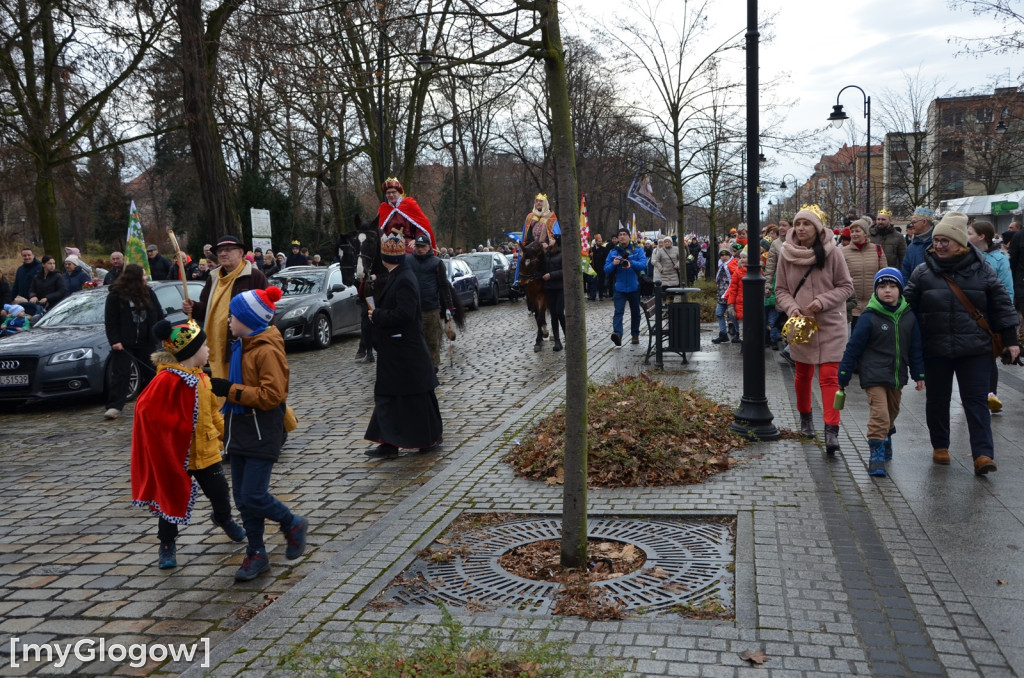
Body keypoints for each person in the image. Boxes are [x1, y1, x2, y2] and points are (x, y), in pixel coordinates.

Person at [903, 212, 1019, 475]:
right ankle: (940, 446)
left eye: (946, 240)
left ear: (960, 242)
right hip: (935, 349)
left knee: (976, 401)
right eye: (937, 240)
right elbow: (905, 307)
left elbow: (1001, 305)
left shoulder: (983, 269)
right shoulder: (923, 272)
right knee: (938, 400)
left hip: (975, 349)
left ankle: (983, 454)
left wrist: (1011, 340)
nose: (940, 245)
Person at [208, 287, 307, 581]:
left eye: (233, 317)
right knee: (241, 496)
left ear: (249, 320)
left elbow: (272, 395)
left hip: (262, 428)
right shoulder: (243, 344)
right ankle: (257, 552)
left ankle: (292, 523)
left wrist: (230, 390)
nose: (228, 321)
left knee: (252, 494)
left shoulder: (265, 349)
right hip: (239, 426)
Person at [130, 319, 246, 570]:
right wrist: (173, 427)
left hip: (206, 450)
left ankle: (224, 517)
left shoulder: (203, 379)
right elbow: (145, 409)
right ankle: (167, 543)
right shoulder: (167, 380)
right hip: (177, 455)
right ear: (191, 352)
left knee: (219, 491)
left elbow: (212, 412)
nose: (208, 351)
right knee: (170, 499)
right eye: (204, 346)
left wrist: (227, 433)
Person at [774, 205, 854, 454]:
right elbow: (781, 290)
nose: (800, 228)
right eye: (797, 224)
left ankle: (832, 430)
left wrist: (823, 301)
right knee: (803, 374)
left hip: (830, 322)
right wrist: (792, 308)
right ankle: (806, 418)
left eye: (806, 224)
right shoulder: (786, 254)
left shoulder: (833, 253)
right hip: (801, 325)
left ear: (817, 228)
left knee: (830, 377)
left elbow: (846, 287)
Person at [838, 269, 926, 477]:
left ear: (900, 290)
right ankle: (876, 453)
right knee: (880, 413)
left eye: (893, 286)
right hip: (873, 373)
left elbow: (915, 348)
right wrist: (843, 375)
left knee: (892, 411)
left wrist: (919, 374)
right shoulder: (869, 317)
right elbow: (853, 348)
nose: (888, 291)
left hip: (897, 374)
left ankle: (887, 435)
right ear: (876, 290)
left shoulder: (908, 316)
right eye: (882, 287)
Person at [364, 231, 443, 458]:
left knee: (414, 398)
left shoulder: (405, 278)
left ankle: (423, 439)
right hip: (397, 352)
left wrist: (377, 315)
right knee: (391, 396)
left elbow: (405, 314)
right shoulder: (397, 275)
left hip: (405, 351)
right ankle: (389, 443)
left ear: (387, 257)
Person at [182, 234, 269, 379]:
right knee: (221, 391)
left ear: (241, 252)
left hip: (245, 347)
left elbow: (268, 312)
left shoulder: (254, 276)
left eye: (228, 249)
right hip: (217, 346)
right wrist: (193, 307)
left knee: (244, 388)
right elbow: (206, 309)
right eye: (220, 250)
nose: (222, 253)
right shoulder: (213, 277)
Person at [103, 263, 164, 419]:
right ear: (134, 278)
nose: (146, 278)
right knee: (121, 372)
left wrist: (161, 334)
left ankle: (154, 402)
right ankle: (115, 406)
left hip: (146, 340)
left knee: (150, 372)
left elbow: (158, 314)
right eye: (143, 275)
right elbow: (111, 321)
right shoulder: (115, 296)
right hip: (124, 342)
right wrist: (115, 340)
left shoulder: (149, 293)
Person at [967, 219, 1014, 413]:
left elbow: (1007, 291)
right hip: (970, 313)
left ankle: (990, 393)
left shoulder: (999, 259)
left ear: (981, 236)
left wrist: (1004, 319)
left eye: (970, 233)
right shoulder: (967, 256)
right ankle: (972, 393)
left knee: (989, 355)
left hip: (989, 316)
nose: (966, 237)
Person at [408, 234, 458, 370]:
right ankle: (419, 366)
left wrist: (449, 307)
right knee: (415, 340)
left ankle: (433, 366)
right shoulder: (408, 261)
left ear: (429, 247)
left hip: (431, 308)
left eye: (422, 246)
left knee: (432, 339)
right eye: (417, 246)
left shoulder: (437, 263)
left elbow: (443, 286)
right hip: (413, 308)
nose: (420, 249)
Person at [604, 227, 648, 346]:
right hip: (619, 287)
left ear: (629, 237)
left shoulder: (637, 250)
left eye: (624, 234)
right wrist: (614, 264)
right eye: (620, 235)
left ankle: (635, 335)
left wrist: (631, 264)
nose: (622, 237)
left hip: (634, 286)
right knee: (618, 312)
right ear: (618, 238)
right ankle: (617, 335)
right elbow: (606, 270)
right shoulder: (613, 252)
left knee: (635, 313)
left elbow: (644, 264)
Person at [841, 218, 885, 332]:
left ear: (866, 233)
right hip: (852, 307)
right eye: (852, 231)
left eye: (857, 231)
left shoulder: (877, 249)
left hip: (874, 304)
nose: (854, 234)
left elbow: (884, 276)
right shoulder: (842, 252)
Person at [377, 177, 436, 254]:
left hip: (408, 242)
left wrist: (417, 240)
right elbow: (379, 231)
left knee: (412, 254)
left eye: (394, 192)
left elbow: (421, 227)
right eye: (388, 193)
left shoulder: (409, 204)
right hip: (389, 244)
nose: (391, 195)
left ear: (399, 193)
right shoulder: (384, 208)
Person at [514, 193, 559, 286]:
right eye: (537, 201)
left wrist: (547, 243)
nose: (538, 203)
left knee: (550, 259)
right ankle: (519, 281)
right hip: (532, 245)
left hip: (546, 245)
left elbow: (555, 233)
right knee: (522, 257)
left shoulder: (551, 216)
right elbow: (527, 233)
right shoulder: (530, 216)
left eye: (541, 201)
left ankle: (550, 280)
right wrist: (530, 245)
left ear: (545, 203)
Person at [541, 235, 566, 351]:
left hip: (560, 288)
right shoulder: (547, 255)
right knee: (553, 315)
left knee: (560, 311)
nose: (549, 240)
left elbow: (564, 271)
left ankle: (568, 337)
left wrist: (551, 275)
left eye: (552, 239)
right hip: (549, 288)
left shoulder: (562, 254)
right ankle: (557, 341)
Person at [900, 207, 935, 281]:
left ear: (924, 222)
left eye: (913, 222)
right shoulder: (911, 247)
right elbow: (906, 273)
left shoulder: (938, 244)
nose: (911, 225)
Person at [723, 249, 748, 345]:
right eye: (741, 257)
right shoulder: (738, 272)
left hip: (753, 305)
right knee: (742, 326)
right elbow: (733, 289)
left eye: (744, 257)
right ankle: (744, 345)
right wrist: (730, 304)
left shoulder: (758, 271)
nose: (741, 259)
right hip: (741, 304)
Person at [712, 248, 736, 344]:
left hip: (730, 295)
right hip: (721, 295)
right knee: (719, 313)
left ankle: (738, 333)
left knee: (732, 315)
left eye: (726, 255)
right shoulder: (721, 266)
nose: (724, 257)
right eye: (722, 255)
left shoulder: (732, 265)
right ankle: (723, 334)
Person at [590, 234, 610, 300]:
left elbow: (606, 258)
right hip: (594, 268)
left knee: (601, 282)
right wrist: (590, 255)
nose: (600, 242)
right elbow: (590, 260)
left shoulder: (604, 249)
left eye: (601, 241)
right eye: (599, 241)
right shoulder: (592, 249)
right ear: (596, 242)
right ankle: (593, 296)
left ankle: (601, 295)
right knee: (593, 282)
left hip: (601, 268)